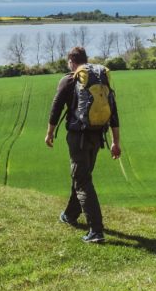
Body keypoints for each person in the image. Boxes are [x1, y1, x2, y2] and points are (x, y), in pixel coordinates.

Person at [45, 46, 121, 244]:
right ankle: (70, 215)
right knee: (81, 175)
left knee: (82, 181)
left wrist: (50, 132)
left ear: (72, 61)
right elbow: (113, 110)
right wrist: (116, 142)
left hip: (78, 137)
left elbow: (56, 107)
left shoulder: (70, 79)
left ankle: (96, 230)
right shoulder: (100, 79)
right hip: (97, 136)